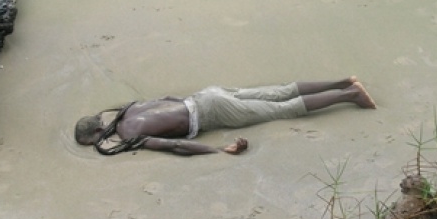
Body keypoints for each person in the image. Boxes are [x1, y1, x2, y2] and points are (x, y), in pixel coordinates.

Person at [74, 76, 376, 156]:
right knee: (278, 91)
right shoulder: (130, 109)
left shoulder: (128, 135)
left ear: (98, 134)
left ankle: (350, 95)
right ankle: (344, 81)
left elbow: (173, 146)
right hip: (205, 95)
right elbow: (167, 100)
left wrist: (218, 150)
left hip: (213, 112)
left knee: (284, 108)